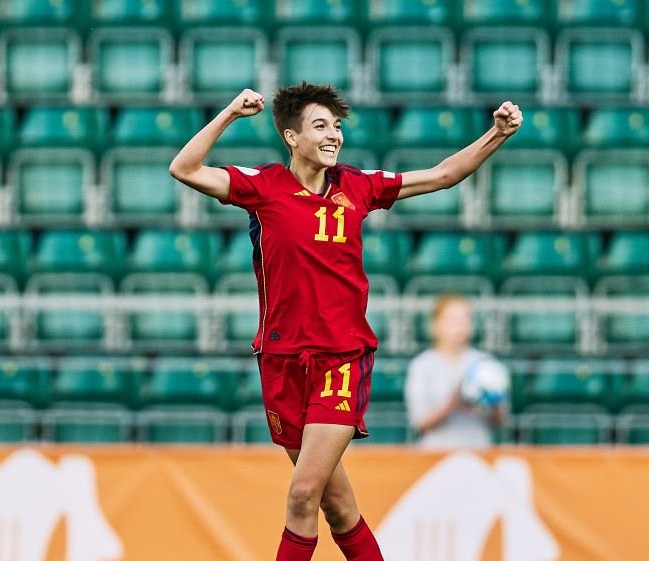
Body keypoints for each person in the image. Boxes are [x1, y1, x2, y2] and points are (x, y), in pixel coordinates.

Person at [169, 83, 522, 561]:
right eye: (320, 126)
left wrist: (496, 134)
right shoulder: (265, 187)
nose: (334, 135)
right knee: (337, 505)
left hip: (340, 359)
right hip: (281, 362)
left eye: (337, 126)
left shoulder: (359, 185)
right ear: (291, 137)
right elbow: (183, 168)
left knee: (301, 496)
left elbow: (441, 175)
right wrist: (231, 113)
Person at [405, 294, 510, 449]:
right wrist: (453, 403)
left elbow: (500, 420)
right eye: (453, 321)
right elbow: (419, 422)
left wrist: (494, 401)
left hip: (478, 453)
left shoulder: (486, 364)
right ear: (436, 324)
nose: (460, 326)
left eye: (465, 320)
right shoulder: (422, 365)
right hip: (436, 457)